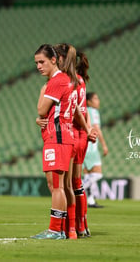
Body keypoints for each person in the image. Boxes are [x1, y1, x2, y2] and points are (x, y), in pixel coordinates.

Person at [31, 44, 95, 240]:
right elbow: (76, 107)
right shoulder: (72, 80)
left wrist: (43, 104)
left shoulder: (57, 81)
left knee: (59, 185)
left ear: (55, 60)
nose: (38, 67)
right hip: (66, 135)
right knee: (64, 184)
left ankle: (57, 230)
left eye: (41, 62)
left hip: (58, 136)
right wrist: (87, 128)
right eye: (36, 63)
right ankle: (71, 230)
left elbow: (41, 110)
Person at [83, 92, 108, 208]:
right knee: (97, 174)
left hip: (83, 146)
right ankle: (77, 189)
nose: (98, 101)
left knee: (88, 175)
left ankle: (90, 201)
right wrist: (104, 145)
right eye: (95, 98)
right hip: (91, 147)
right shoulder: (93, 111)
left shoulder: (82, 110)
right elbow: (96, 128)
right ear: (89, 101)